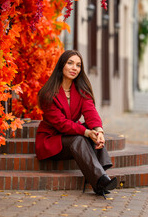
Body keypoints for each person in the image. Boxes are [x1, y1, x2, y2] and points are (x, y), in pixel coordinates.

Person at [35, 50, 117, 198]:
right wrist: (86, 132)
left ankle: (101, 179)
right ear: (62, 66)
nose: (74, 68)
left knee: (91, 131)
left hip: (72, 136)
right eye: (70, 63)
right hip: (52, 140)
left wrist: (99, 132)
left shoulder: (80, 90)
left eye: (78, 65)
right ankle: (101, 179)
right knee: (81, 136)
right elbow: (61, 124)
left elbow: (91, 112)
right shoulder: (48, 94)